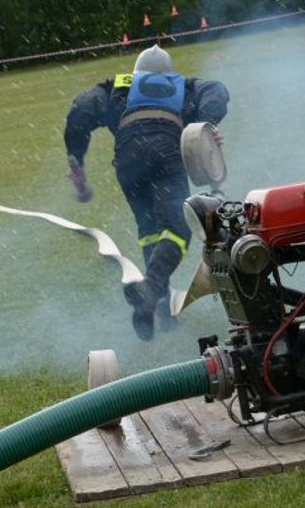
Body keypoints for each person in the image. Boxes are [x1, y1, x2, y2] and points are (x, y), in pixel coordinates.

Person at [64, 45, 229, 341]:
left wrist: (76, 160)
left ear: (136, 74)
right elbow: (217, 91)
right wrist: (208, 123)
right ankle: (152, 289)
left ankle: (163, 313)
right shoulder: (184, 86)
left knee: (150, 230)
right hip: (167, 148)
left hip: (128, 157)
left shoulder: (118, 87)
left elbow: (81, 109)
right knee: (179, 229)